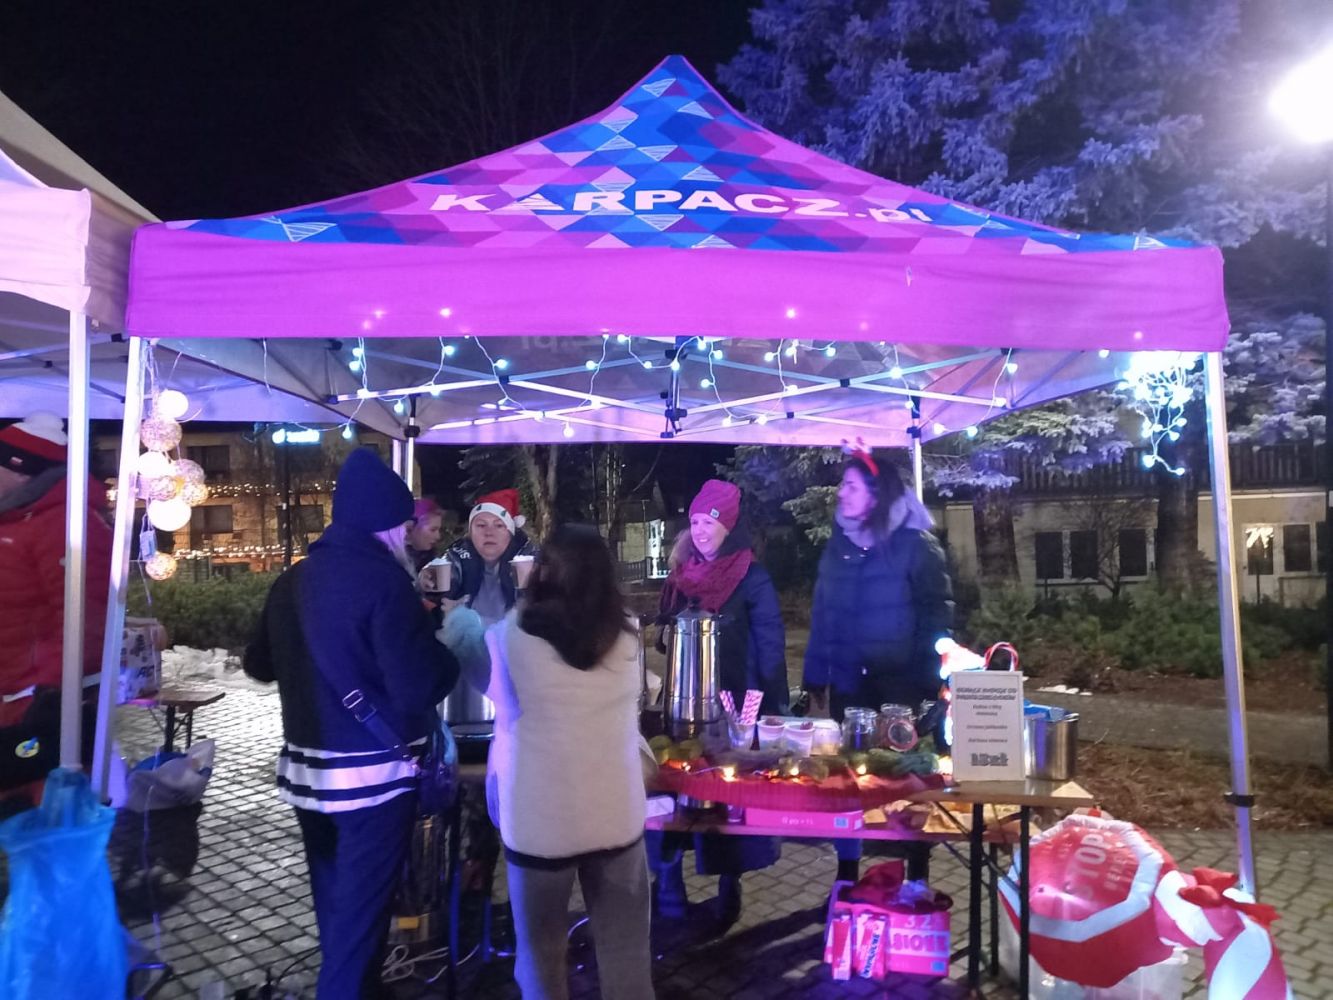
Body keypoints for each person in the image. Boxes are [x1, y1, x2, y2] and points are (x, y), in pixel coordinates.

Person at [243, 448, 461, 1000]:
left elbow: (258, 664)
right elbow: (416, 687)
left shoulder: (292, 582)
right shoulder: (385, 584)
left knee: (339, 915)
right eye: (403, 526)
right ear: (385, 524)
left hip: (307, 778)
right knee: (358, 928)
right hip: (372, 782)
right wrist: (446, 658)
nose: (407, 536)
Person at [483, 524, 655, 1000]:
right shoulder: (628, 635)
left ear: (543, 571)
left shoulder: (507, 638)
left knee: (540, 959)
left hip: (539, 822)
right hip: (615, 812)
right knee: (627, 957)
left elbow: (500, 707)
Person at [802, 446, 954, 884]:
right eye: (842, 485)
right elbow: (823, 615)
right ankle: (847, 874)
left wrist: (928, 683)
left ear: (876, 493)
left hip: (900, 687)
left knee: (905, 784)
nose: (841, 493)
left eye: (850, 486)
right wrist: (815, 676)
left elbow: (937, 617)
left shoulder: (916, 545)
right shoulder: (839, 547)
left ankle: (915, 878)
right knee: (851, 781)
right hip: (850, 684)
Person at [652, 479, 787, 924]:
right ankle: (668, 875)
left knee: (728, 793)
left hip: (735, 700)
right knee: (676, 787)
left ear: (728, 526)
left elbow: (770, 642)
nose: (700, 530)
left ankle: (731, 880)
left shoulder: (752, 576)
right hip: (684, 702)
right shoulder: (681, 573)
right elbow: (664, 636)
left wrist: (773, 703)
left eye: (709, 522)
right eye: (694, 522)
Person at [0, 413, 112, 809]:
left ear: (21, 470)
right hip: (12, 693)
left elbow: (85, 616)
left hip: (35, 701)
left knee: (36, 810)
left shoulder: (67, 524)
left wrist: (52, 692)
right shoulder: (16, 518)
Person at [438, 488, 538, 625]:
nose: (489, 532)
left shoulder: (530, 559)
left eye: (499, 525)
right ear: (470, 532)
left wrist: (532, 589)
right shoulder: (458, 556)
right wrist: (428, 584)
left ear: (511, 533)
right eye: (481, 525)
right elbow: (434, 590)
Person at [406, 497, 445, 575]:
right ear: (410, 527)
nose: (438, 536)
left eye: (439, 530)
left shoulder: (434, 560)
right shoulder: (391, 561)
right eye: (433, 530)